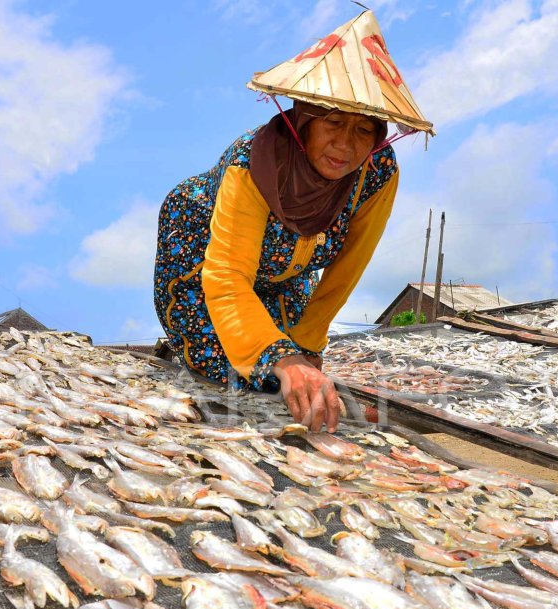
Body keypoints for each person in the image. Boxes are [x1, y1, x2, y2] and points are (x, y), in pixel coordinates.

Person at [153, 11, 431, 432]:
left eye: (363, 130)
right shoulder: (252, 165)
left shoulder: (377, 170)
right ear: (303, 122)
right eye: (333, 123)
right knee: (235, 366)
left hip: (287, 271)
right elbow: (226, 275)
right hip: (201, 260)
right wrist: (284, 358)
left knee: (293, 362)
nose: (345, 145)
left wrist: (308, 343)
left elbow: (351, 261)